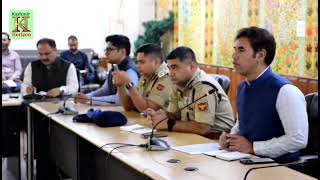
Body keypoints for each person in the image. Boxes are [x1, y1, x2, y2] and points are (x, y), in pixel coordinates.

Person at [219, 26, 308, 163]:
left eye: (241, 50)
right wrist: (230, 138)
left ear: (260, 55)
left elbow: (298, 139)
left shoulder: (285, 91)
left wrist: (253, 147)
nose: (234, 56)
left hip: (279, 167)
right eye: (235, 49)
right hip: (246, 160)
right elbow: (242, 124)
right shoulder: (243, 87)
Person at [146, 46, 234, 139]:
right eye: (169, 68)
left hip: (216, 140)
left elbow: (203, 128)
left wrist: (168, 123)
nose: (170, 73)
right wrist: (160, 116)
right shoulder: (178, 83)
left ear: (192, 67)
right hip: (193, 136)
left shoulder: (203, 86)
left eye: (175, 68)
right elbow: (174, 114)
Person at [74, 35, 139, 105]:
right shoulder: (115, 68)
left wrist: (90, 100)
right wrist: (85, 97)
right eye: (106, 50)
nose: (106, 53)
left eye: (109, 50)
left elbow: (120, 100)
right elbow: (104, 90)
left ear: (122, 51)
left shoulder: (130, 71)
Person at [112, 43, 172, 112]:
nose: (138, 66)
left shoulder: (166, 77)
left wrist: (129, 83)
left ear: (156, 62)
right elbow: (128, 106)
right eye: (137, 62)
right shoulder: (147, 74)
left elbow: (146, 110)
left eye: (142, 62)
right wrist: (120, 85)